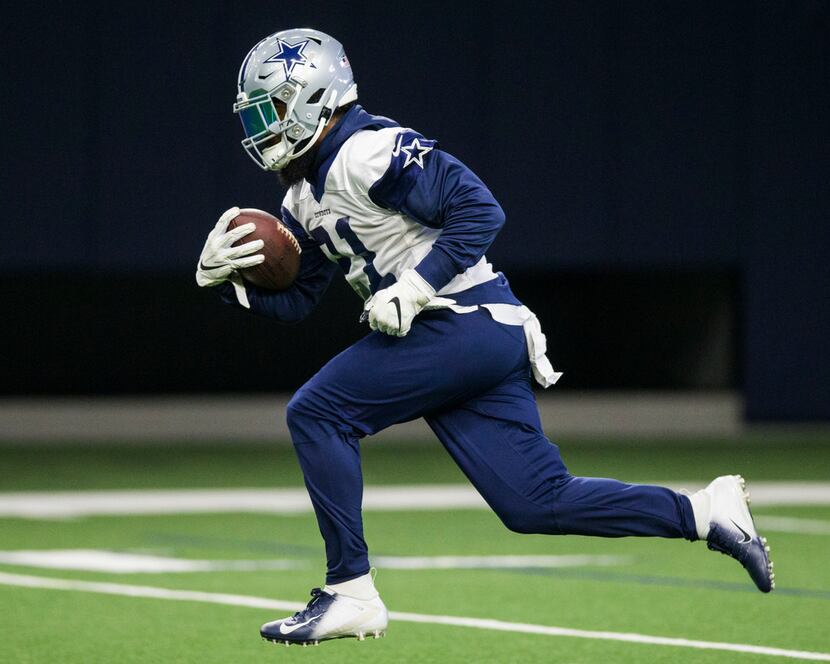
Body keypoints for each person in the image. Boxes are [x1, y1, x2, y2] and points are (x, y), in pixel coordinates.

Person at [196, 28, 774, 647]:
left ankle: (350, 591)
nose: (260, 130)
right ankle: (705, 513)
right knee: (536, 503)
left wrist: (415, 287)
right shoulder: (301, 193)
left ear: (314, 96)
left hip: (463, 320)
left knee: (319, 412)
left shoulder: (366, 151)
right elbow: (301, 298)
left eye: (270, 111)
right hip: (466, 338)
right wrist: (229, 283)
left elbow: (479, 208)